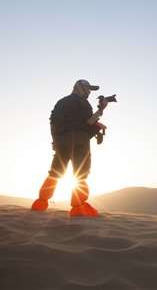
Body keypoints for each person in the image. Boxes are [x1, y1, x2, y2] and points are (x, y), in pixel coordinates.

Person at [31, 79, 108, 216]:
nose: (89, 92)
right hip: (79, 141)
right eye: (87, 89)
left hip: (62, 141)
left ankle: (41, 202)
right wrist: (101, 109)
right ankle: (78, 207)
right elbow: (89, 121)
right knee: (81, 174)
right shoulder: (83, 103)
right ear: (78, 88)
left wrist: (55, 141)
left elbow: (52, 123)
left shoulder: (61, 102)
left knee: (55, 172)